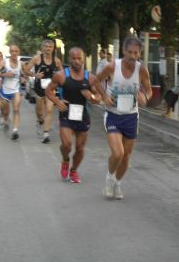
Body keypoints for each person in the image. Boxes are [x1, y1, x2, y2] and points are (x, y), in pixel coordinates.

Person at [95, 36, 152, 199]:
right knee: (118, 153)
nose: (133, 56)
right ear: (123, 51)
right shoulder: (113, 66)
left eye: (136, 53)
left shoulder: (142, 70)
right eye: (129, 52)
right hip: (113, 115)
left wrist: (145, 97)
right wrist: (104, 97)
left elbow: (148, 90)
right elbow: (95, 81)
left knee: (126, 156)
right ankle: (109, 177)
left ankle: (117, 182)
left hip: (131, 116)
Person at [45, 47, 101, 183]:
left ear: (83, 58)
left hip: (83, 115)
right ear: (69, 59)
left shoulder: (90, 78)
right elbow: (48, 90)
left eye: (79, 58)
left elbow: (99, 97)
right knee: (67, 145)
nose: (76, 61)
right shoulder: (61, 75)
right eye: (74, 58)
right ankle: (65, 160)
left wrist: (91, 96)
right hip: (66, 114)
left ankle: (74, 170)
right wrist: (57, 101)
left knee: (80, 148)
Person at [23, 39, 63, 143]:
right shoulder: (37, 59)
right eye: (46, 46)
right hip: (39, 88)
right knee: (40, 112)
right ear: (42, 48)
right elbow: (26, 70)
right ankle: (40, 121)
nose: (48, 49)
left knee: (49, 110)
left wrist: (58, 79)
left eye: (50, 47)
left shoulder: (57, 61)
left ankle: (46, 133)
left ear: (53, 48)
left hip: (50, 89)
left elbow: (62, 74)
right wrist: (35, 75)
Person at [0, 45, 24, 140]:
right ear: (10, 52)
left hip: (16, 90)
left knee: (16, 109)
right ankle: (6, 120)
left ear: (19, 52)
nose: (14, 53)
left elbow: (25, 74)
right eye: (12, 51)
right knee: (6, 111)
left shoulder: (21, 64)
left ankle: (15, 130)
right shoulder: (4, 62)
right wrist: (6, 74)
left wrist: (24, 78)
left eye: (16, 51)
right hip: (5, 91)